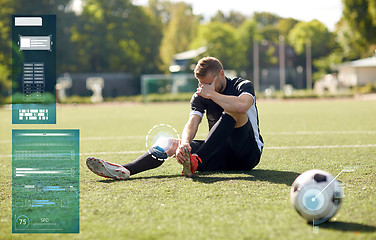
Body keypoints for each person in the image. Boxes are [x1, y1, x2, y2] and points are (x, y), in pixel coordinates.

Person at [86, 56, 264, 180]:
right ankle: (125, 169)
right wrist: (185, 143)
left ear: (222, 75)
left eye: (208, 83)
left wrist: (212, 95)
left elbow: (243, 105)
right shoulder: (200, 94)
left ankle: (196, 159)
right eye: (200, 84)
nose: (203, 88)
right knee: (170, 143)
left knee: (234, 110)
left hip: (246, 155)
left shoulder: (242, 85)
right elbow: (193, 122)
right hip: (218, 154)